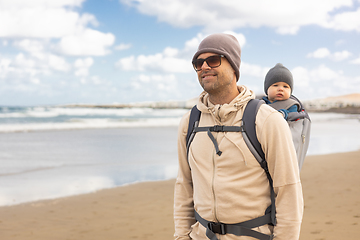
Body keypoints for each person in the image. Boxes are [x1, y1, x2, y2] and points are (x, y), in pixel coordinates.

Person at [174, 33, 304, 240]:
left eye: (213, 60)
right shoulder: (190, 122)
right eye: (198, 63)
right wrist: (181, 236)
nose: (204, 67)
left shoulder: (266, 120)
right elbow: (184, 185)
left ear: (234, 67)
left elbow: (288, 190)